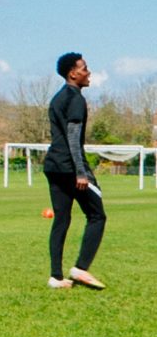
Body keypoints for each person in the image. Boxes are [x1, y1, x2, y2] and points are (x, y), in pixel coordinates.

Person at [44, 52, 106, 290]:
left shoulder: (58, 98)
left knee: (62, 219)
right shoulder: (76, 99)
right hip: (69, 168)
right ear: (73, 73)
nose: (88, 72)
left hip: (53, 165)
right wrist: (81, 172)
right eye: (85, 68)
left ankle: (56, 277)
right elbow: (72, 137)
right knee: (97, 215)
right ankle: (80, 268)